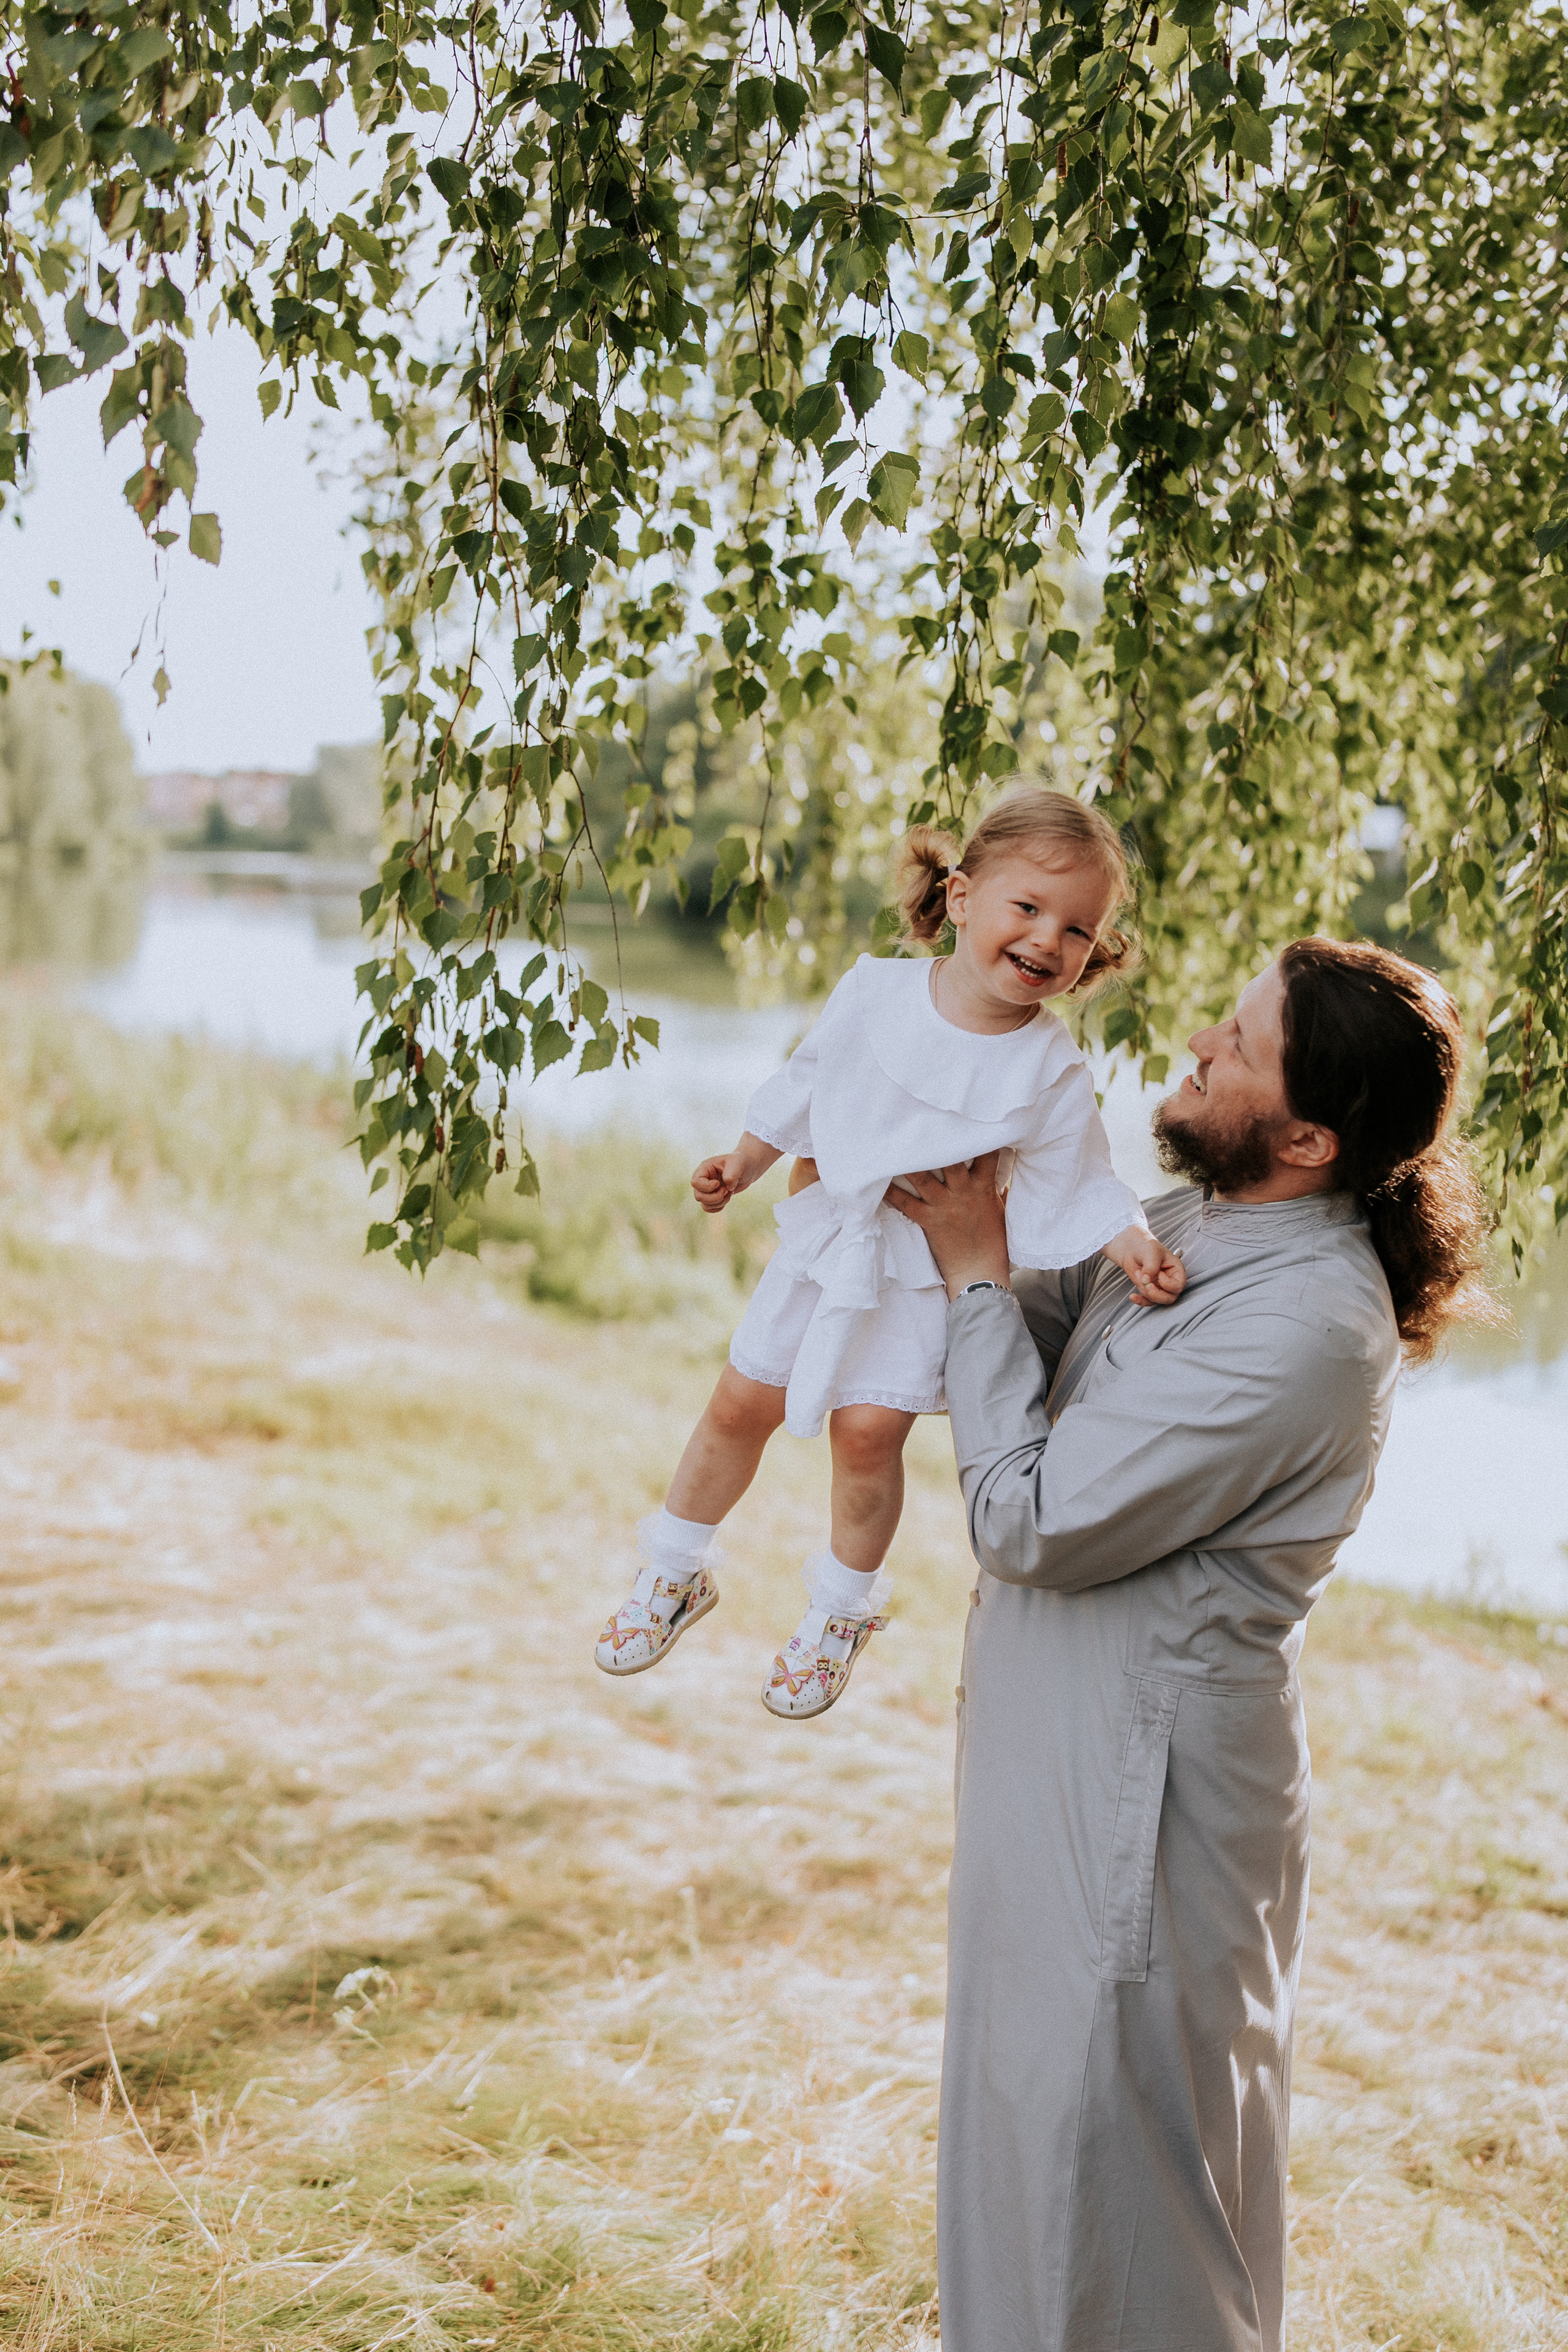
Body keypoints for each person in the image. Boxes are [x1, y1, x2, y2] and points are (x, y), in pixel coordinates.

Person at [888, 937, 1492, 2352]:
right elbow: (1041, 1329)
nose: (1199, 1048)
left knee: (1122, 2169)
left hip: (1137, 1796)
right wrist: (929, 1185)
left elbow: (1031, 1516)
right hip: (1053, 1751)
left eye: (1238, 1041)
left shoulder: (1306, 1326)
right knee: (1022, 2127)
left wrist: (976, 1284)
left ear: (1306, 1137)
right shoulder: (1197, 1223)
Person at [594, 789, 1185, 1719]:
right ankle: (674, 1567)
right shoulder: (875, 989)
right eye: (1026, 908)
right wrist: (747, 1161)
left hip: (923, 1273)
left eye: (1077, 930)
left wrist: (1131, 1239)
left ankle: (838, 1612)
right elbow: (810, 1078)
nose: (1047, 940)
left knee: (869, 1436)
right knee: (741, 1400)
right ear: (960, 898)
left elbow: (1075, 1176)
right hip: (835, 1240)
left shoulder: (1048, 1065)